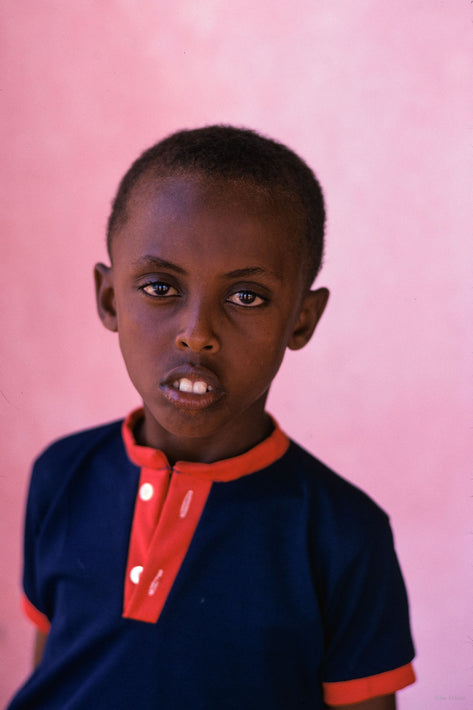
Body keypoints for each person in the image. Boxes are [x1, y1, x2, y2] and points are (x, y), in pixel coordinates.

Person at [8, 126, 415, 709]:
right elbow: (55, 672)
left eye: (246, 296)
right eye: (159, 286)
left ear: (302, 319)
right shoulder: (61, 474)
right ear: (108, 300)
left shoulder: (343, 535)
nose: (197, 334)